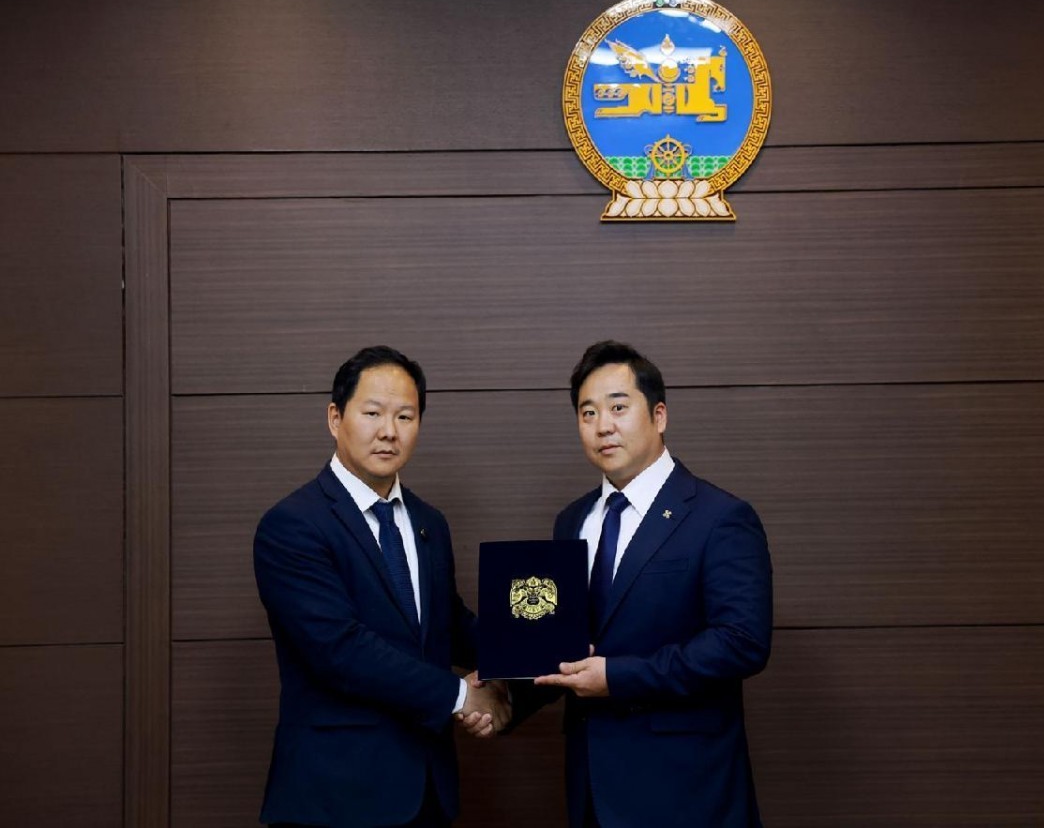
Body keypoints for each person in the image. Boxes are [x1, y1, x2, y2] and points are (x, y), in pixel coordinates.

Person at [253, 345, 509, 828]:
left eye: (405, 416)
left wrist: (537, 652)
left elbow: (447, 625)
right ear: (335, 418)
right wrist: (461, 697)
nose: (389, 431)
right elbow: (340, 650)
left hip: (426, 790)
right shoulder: (292, 525)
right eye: (372, 413)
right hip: (334, 794)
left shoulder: (429, 522)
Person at [532, 340, 773, 827]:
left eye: (618, 407)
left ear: (659, 415)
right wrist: (500, 698)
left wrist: (617, 677)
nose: (603, 425)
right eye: (588, 413)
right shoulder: (571, 521)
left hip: (687, 789)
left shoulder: (720, 517)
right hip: (593, 788)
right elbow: (564, 645)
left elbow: (741, 642)